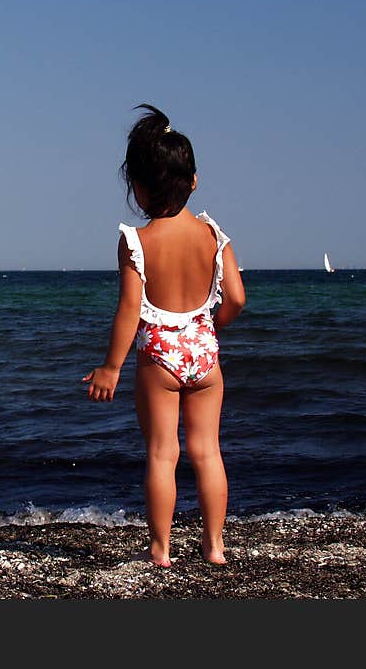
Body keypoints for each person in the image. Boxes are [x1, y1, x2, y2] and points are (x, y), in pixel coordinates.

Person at [82, 104, 246, 567]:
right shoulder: (214, 235)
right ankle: (214, 547)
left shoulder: (138, 241)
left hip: (160, 357)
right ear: (193, 180)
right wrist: (211, 328)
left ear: (137, 186)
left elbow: (131, 310)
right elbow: (236, 297)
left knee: (162, 452)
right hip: (203, 353)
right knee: (207, 451)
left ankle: (161, 548)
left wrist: (111, 367)